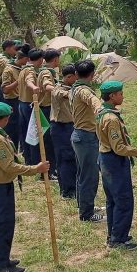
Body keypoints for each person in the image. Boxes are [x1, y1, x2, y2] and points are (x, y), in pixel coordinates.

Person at [0, 101, 49, 272]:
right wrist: (35, 169)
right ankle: (0, 265)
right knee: (2, 225)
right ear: (5, 119)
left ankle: (0, 258)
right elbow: (9, 166)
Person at [96, 81, 137, 250]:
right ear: (112, 96)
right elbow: (119, 148)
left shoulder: (102, 111)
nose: (122, 96)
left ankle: (113, 234)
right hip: (114, 161)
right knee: (123, 200)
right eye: (120, 94)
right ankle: (118, 239)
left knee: (112, 200)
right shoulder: (111, 119)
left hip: (105, 157)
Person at [70, 59, 105, 223]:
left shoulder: (74, 88)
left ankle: (84, 205)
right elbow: (93, 100)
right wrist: (100, 109)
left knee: (82, 174)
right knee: (89, 176)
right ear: (92, 74)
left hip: (79, 135)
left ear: (76, 74)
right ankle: (87, 213)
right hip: (86, 137)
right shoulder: (84, 90)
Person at [49, 63, 78, 201]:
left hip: (69, 126)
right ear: (69, 77)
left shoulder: (70, 87)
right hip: (61, 128)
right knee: (66, 159)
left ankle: (71, 187)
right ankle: (68, 191)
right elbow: (64, 94)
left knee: (71, 159)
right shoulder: (59, 90)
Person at [37, 49, 60, 178]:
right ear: (55, 59)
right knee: (48, 142)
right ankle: (48, 172)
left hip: (46, 108)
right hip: (45, 109)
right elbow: (47, 86)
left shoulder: (45, 70)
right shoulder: (46, 72)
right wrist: (59, 90)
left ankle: (51, 169)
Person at [17, 47, 39, 164]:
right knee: (33, 133)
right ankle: (34, 160)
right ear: (40, 60)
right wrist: (34, 87)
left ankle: (28, 159)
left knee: (25, 132)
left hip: (22, 103)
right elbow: (29, 81)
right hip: (29, 105)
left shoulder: (23, 69)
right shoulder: (30, 70)